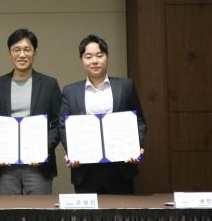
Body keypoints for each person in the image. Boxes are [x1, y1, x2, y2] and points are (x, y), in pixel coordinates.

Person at [60, 34, 147, 194]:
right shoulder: (70, 92)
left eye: (99, 55)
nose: (94, 61)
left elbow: (139, 121)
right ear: (81, 61)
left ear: (107, 57)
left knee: (121, 211)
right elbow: (63, 127)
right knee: (88, 211)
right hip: (85, 169)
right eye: (88, 57)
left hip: (121, 167)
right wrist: (72, 152)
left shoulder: (125, 86)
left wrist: (136, 146)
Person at [0, 28, 62, 195]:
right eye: (16, 50)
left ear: (34, 53)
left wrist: (42, 148)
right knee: (7, 211)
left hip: (38, 165)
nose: (22, 54)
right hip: (5, 166)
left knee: (39, 211)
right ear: (9, 54)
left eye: (27, 49)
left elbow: (58, 123)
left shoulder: (49, 84)